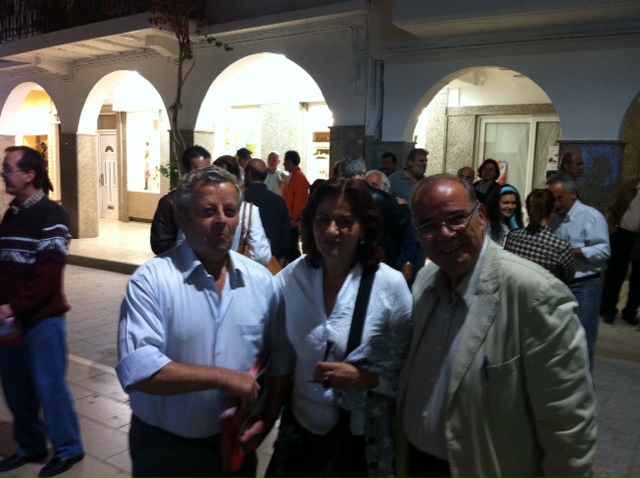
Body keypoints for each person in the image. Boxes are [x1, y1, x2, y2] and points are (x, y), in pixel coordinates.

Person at [397, 174, 596, 478]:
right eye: (428, 226)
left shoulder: (535, 295)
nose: (445, 234)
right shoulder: (425, 282)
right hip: (417, 463)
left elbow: (568, 425)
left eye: (456, 218)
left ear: (481, 215)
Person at [116, 165, 283, 478]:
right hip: (166, 451)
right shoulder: (151, 281)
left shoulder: (262, 282)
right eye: (208, 211)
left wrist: (266, 418)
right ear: (183, 219)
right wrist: (222, 378)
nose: (222, 220)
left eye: (230, 211)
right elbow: (139, 371)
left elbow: (276, 361)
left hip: (235, 445)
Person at [265, 178, 413, 477]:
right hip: (299, 439)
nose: (332, 231)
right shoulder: (291, 280)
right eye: (323, 219)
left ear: (364, 228)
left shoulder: (389, 286)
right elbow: (278, 353)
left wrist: (366, 378)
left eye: (345, 222)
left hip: (357, 444)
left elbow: (410, 374)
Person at [0, 146, 85, 477]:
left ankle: (69, 448)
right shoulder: (12, 214)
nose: (4, 175)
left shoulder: (52, 215)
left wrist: (12, 307)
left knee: (50, 388)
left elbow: (47, 277)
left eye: (8, 169)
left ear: (29, 175)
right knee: (16, 389)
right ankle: (30, 445)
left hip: (41, 321)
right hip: (10, 321)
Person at [547, 174, 610, 371]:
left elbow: (604, 251)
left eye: (559, 198)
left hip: (585, 285)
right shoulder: (554, 218)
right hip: (560, 283)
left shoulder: (592, 217)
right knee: (560, 338)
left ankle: (585, 384)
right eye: (552, 199)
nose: (555, 204)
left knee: (583, 339)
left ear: (572, 194)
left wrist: (574, 252)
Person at [340, 155, 411, 270]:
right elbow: (401, 223)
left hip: (346, 254)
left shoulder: (338, 197)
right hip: (377, 255)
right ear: (364, 170)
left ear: (343, 175)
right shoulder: (381, 197)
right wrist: (404, 207)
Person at [150, 145, 211, 255]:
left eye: (208, 171)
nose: (204, 176)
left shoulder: (213, 200)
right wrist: (191, 249)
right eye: (198, 171)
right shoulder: (170, 202)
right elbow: (160, 244)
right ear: (186, 171)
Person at [504, 189, 575, 283]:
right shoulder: (561, 247)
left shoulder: (512, 237)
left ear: (528, 210)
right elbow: (568, 278)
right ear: (553, 210)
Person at [213, 155, 272, 266]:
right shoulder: (249, 210)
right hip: (235, 269)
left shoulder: (197, 208)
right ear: (239, 178)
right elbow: (262, 255)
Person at [600, 178, 640, 325]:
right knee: (615, 274)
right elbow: (611, 207)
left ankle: (630, 312)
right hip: (622, 235)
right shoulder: (629, 186)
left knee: (638, 278)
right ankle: (608, 309)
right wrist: (612, 229)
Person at [244, 159, 291, 265]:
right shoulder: (279, 201)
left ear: (249, 174)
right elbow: (285, 234)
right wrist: (281, 260)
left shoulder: (241, 199)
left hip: (245, 261)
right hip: (272, 262)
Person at [284, 150, 310, 263]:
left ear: (289, 161)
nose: (283, 164)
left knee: (292, 249)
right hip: (293, 219)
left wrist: (294, 218)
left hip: (294, 221)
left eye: (285, 161)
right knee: (292, 248)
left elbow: (300, 200)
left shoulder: (298, 177)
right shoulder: (295, 175)